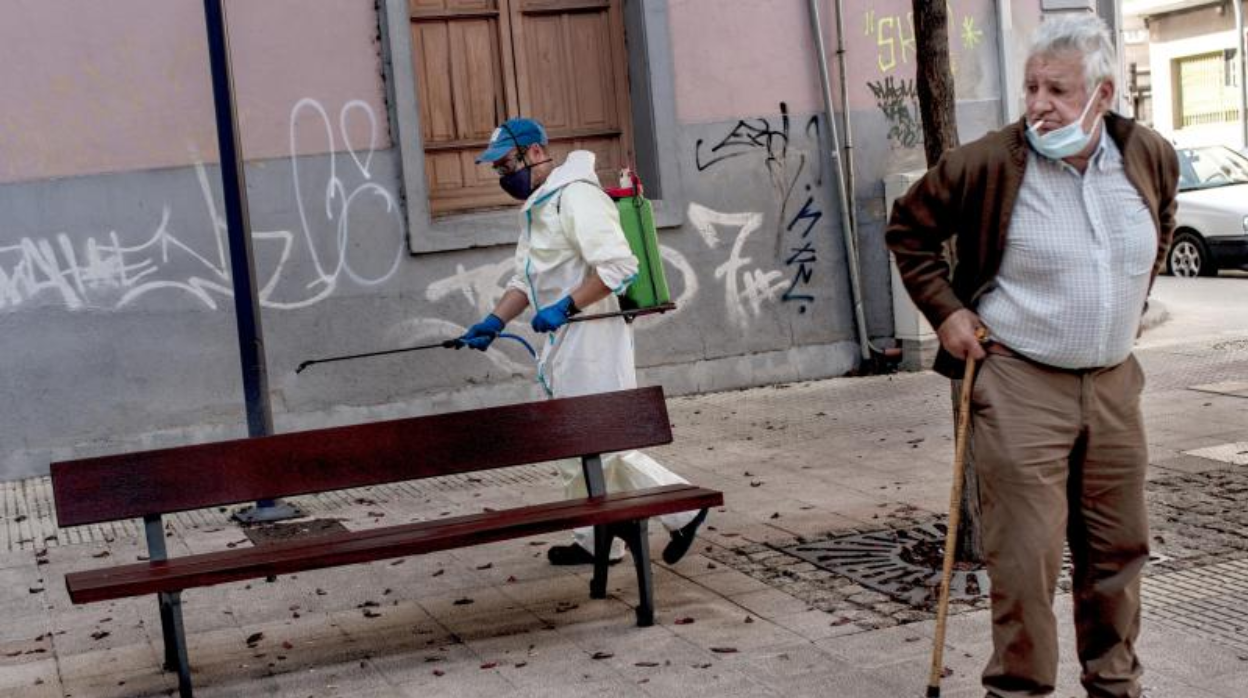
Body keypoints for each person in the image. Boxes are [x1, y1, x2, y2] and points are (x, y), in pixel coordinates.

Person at [886, 15, 1177, 698]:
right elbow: (909, 229)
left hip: (1112, 382)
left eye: (1059, 89)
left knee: (1118, 550)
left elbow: (1159, 224)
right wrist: (950, 313)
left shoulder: (1148, 155)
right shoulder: (990, 162)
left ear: (1104, 95)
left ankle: (1115, 683)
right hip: (1020, 382)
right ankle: (1019, 690)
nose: (1040, 104)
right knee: (1024, 561)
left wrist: (1123, 309)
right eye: (1032, 87)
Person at [458, 117, 707, 566]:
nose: (503, 176)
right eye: (496, 170)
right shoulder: (539, 205)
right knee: (574, 441)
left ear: (535, 153)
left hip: (592, 336)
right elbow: (525, 279)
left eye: (507, 164)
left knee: (604, 438)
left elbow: (618, 267)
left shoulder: (577, 197)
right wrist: (493, 321)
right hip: (562, 339)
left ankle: (684, 507)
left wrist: (565, 307)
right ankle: (595, 540)